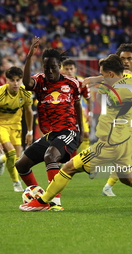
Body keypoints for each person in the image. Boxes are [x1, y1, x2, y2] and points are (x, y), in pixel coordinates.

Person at [19, 54, 132, 212]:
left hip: (109, 145)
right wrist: (96, 79)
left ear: (111, 74)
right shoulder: (129, 81)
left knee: (68, 168)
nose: (102, 78)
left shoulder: (122, 90)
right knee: (128, 179)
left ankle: (43, 202)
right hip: (125, 143)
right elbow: (112, 78)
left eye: (104, 74)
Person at [15, 37, 83, 209]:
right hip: (51, 135)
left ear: (59, 67)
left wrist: (81, 131)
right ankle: (38, 193)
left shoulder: (72, 83)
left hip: (68, 131)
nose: (50, 70)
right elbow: (26, 83)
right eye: (46, 67)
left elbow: (77, 106)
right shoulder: (39, 81)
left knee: (50, 156)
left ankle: (53, 201)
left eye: (53, 67)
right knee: (21, 164)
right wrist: (29, 57)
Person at [82, 43, 132, 196]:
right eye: (122, 58)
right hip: (111, 119)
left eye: (128, 58)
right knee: (118, 154)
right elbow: (103, 93)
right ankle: (100, 176)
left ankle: (106, 183)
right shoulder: (114, 76)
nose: (125, 61)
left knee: (122, 157)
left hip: (129, 122)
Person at [0, 66, 34, 192]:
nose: (16, 83)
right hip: (0, 124)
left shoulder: (26, 92)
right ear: (6, 80)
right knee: (11, 153)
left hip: (16, 124)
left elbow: (29, 111)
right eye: (12, 80)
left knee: (17, 158)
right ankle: (16, 183)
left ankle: (2, 160)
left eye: (18, 80)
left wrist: (29, 131)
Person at [61, 59, 92, 152]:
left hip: (78, 112)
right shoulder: (59, 82)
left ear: (75, 69)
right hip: (63, 113)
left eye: (71, 69)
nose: (69, 71)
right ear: (63, 70)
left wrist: (90, 114)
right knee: (64, 137)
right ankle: (62, 159)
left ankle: (86, 158)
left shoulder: (82, 82)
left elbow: (88, 99)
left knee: (85, 134)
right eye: (66, 69)